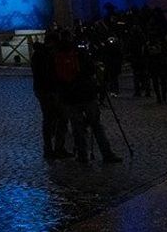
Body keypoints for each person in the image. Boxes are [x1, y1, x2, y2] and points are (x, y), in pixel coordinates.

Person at [59, 36, 122, 165]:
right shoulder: (82, 56)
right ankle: (107, 153)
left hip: (71, 97)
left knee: (77, 128)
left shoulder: (60, 59)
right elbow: (92, 70)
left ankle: (82, 156)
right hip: (87, 95)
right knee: (96, 125)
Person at [31, 29, 70, 161]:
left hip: (45, 90)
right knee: (53, 119)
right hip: (47, 90)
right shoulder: (43, 56)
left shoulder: (39, 54)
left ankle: (53, 148)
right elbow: (46, 74)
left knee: (53, 119)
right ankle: (53, 148)